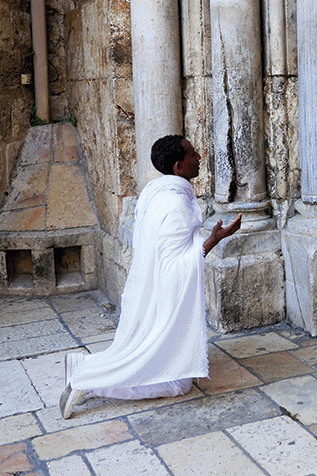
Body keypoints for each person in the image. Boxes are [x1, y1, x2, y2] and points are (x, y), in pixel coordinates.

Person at [59, 135, 241, 419]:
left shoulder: (156, 191)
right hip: (164, 297)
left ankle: (84, 368)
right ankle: (86, 380)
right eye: (192, 154)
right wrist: (214, 240)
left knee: (164, 366)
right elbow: (173, 267)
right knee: (176, 383)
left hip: (151, 290)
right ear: (180, 166)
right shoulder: (175, 204)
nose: (199, 157)